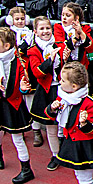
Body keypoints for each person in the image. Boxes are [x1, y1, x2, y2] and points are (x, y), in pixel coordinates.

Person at [0, 27, 35, 184]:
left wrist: (23, 87)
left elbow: (23, 83)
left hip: (14, 104)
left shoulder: (19, 62)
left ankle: (26, 169)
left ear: (7, 46)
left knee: (18, 138)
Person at [26, 16, 63, 170]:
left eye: (48, 28)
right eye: (41, 29)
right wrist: (50, 60)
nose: (45, 31)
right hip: (47, 91)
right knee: (51, 127)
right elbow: (37, 72)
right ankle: (55, 155)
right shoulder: (33, 50)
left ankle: (66, 151)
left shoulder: (59, 44)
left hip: (62, 89)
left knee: (65, 123)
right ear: (35, 31)